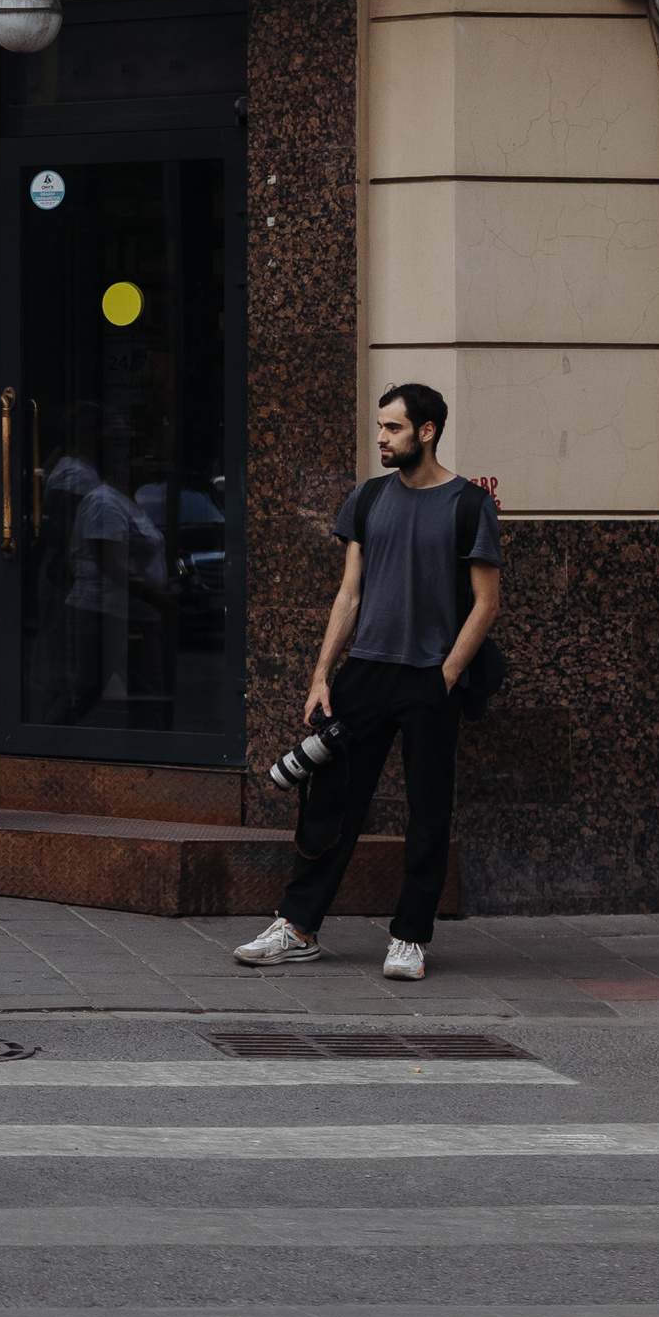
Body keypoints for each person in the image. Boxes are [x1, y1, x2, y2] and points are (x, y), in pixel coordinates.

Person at [235, 379, 503, 985]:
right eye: (380, 426)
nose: (381, 437)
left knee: (428, 809)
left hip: (431, 679)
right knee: (330, 800)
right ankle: (298, 927)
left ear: (426, 432)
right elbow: (349, 593)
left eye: (393, 428)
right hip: (365, 674)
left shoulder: (468, 505)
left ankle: (410, 936)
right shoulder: (368, 498)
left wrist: (447, 677)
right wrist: (322, 676)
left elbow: (486, 604)